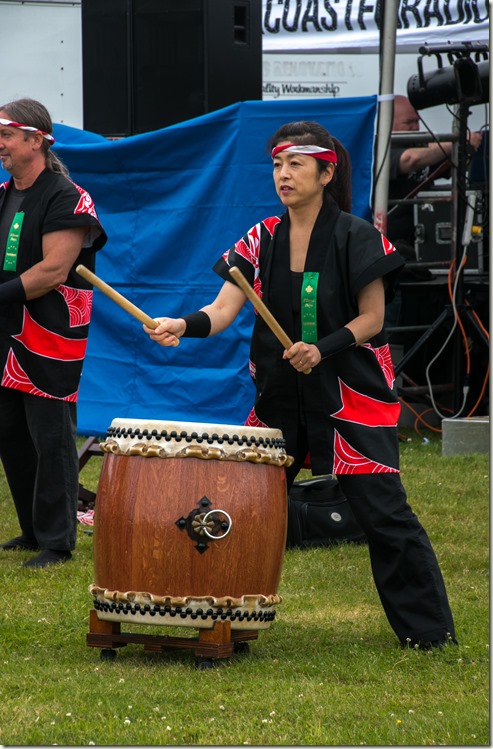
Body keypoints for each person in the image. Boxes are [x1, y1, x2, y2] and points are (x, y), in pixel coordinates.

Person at [143, 120, 457, 651]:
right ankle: (228, 625)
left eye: (295, 164)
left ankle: (429, 634)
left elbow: (373, 318)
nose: (283, 175)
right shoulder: (261, 238)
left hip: (350, 396)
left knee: (384, 513)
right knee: (242, 516)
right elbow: (222, 310)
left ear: (325, 172)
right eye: (276, 165)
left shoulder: (358, 236)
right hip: (279, 399)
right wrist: (182, 325)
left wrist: (321, 348)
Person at [0, 98, 107, 568]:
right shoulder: (4, 194)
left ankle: (58, 540)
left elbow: (53, 271)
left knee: (51, 437)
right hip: (6, 330)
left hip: (50, 333)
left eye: (6, 134)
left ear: (35, 140)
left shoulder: (68, 196)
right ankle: (32, 530)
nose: (0, 144)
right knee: (10, 433)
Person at [385, 94, 482, 331]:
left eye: (417, 122)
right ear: (387, 123)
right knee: (391, 323)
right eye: (408, 123)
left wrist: (470, 148)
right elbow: (410, 161)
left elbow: (454, 166)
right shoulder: (381, 148)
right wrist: (456, 141)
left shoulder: (425, 147)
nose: (415, 128)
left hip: (426, 253)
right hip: (392, 252)